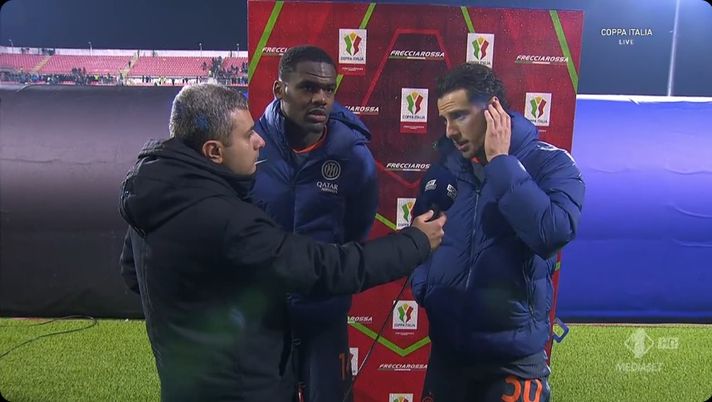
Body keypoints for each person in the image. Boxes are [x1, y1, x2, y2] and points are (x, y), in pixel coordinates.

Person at [118, 83, 446, 402]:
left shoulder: (157, 196)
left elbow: (133, 273)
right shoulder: (226, 219)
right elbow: (325, 269)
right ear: (214, 151)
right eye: (247, 135)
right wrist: (414, 242)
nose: (259, 141)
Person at [410, 63, 585, 402]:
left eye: (459, 116)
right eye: (445, 119)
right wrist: (426, 289)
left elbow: (552, 233)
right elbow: (422, 236)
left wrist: (501, 163)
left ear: (493, 109)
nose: (450, 131)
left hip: (513, 362)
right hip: (448, 357)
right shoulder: (444, 170)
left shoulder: (551, 163)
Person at [250, 45, 376, 402]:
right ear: (280, 89)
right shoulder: (250, 145)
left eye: (328, 89)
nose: (321, 98)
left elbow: (358, 226)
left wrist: (327, 275)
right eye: (308, 87)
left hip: (324, 312)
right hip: (263, 315)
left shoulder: (353, 155)